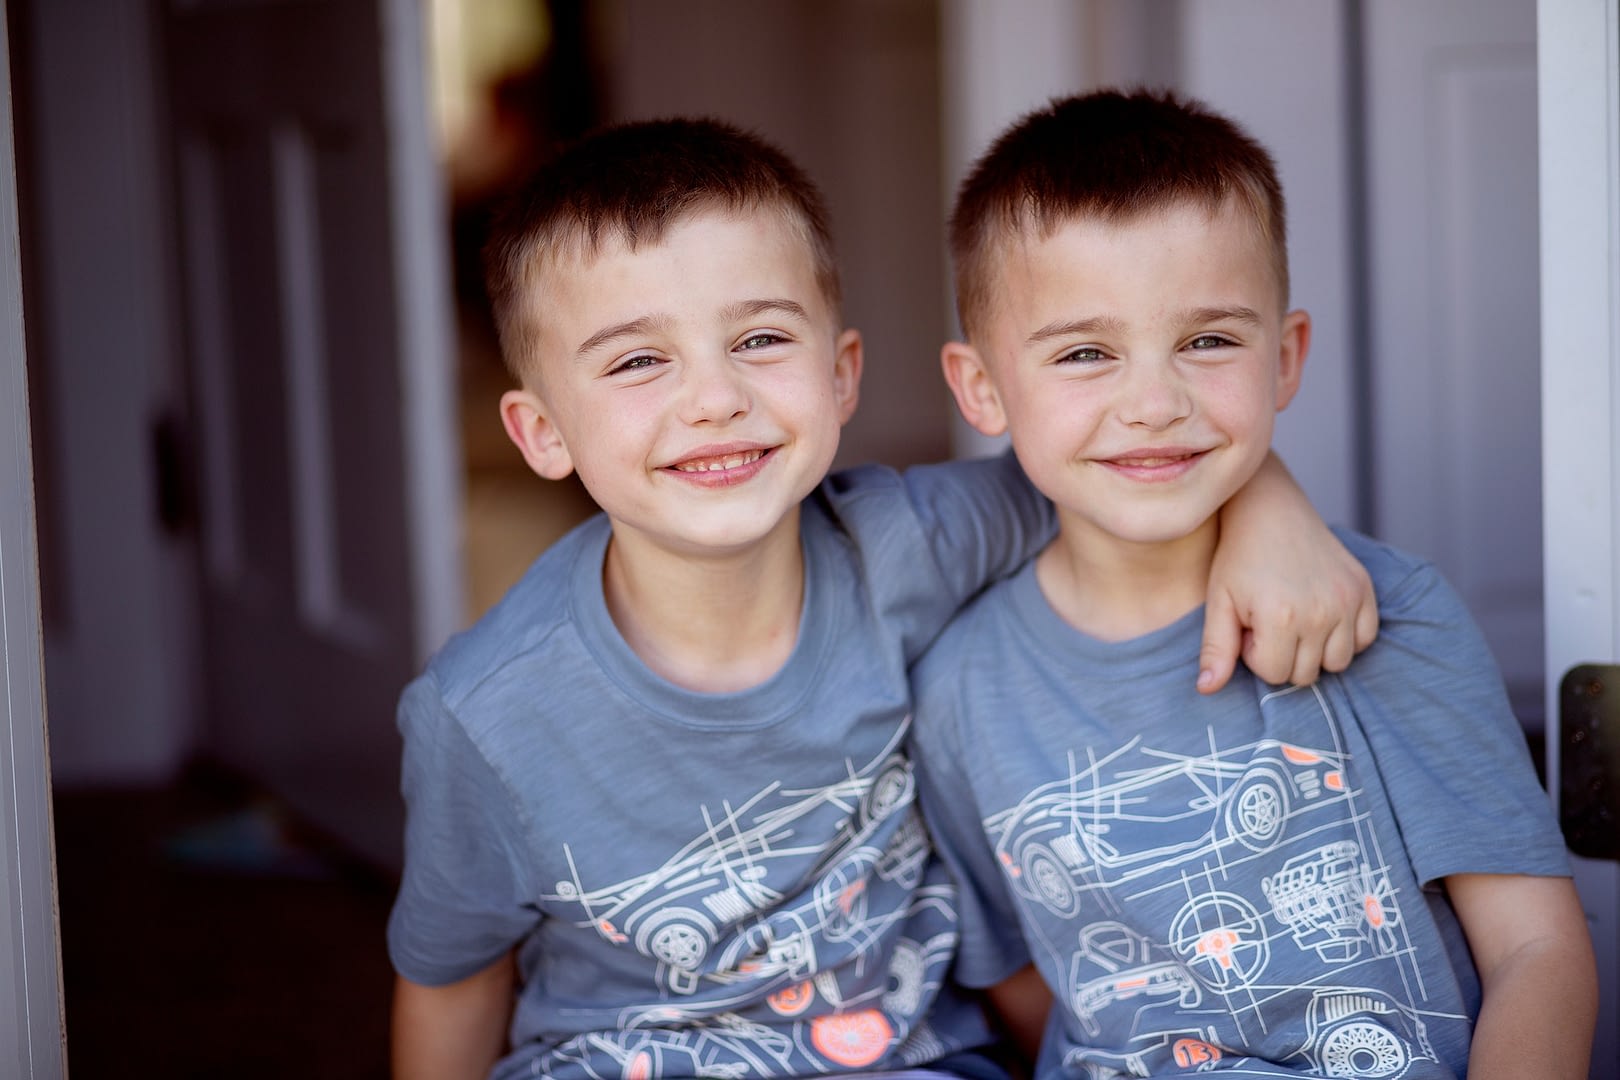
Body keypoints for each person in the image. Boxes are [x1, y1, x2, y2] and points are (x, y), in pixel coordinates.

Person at [386, 116, 1379, 1080]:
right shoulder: (485, 714)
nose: (715, 398)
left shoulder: (909, 544)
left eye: (761, 338)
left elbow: (1124, 461)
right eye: (641, 360)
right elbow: (451, 981)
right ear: (541, 431)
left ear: (842, 372)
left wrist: (1270, 504)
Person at [910, 88, 1597, 1080]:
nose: (1153, 402)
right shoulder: (960, 691)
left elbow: (1535, 950)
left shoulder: (1392, 616)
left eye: (1208, 341)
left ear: (1286, 358)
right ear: (980, 388)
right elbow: (1022, 983)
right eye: (1085, 353)